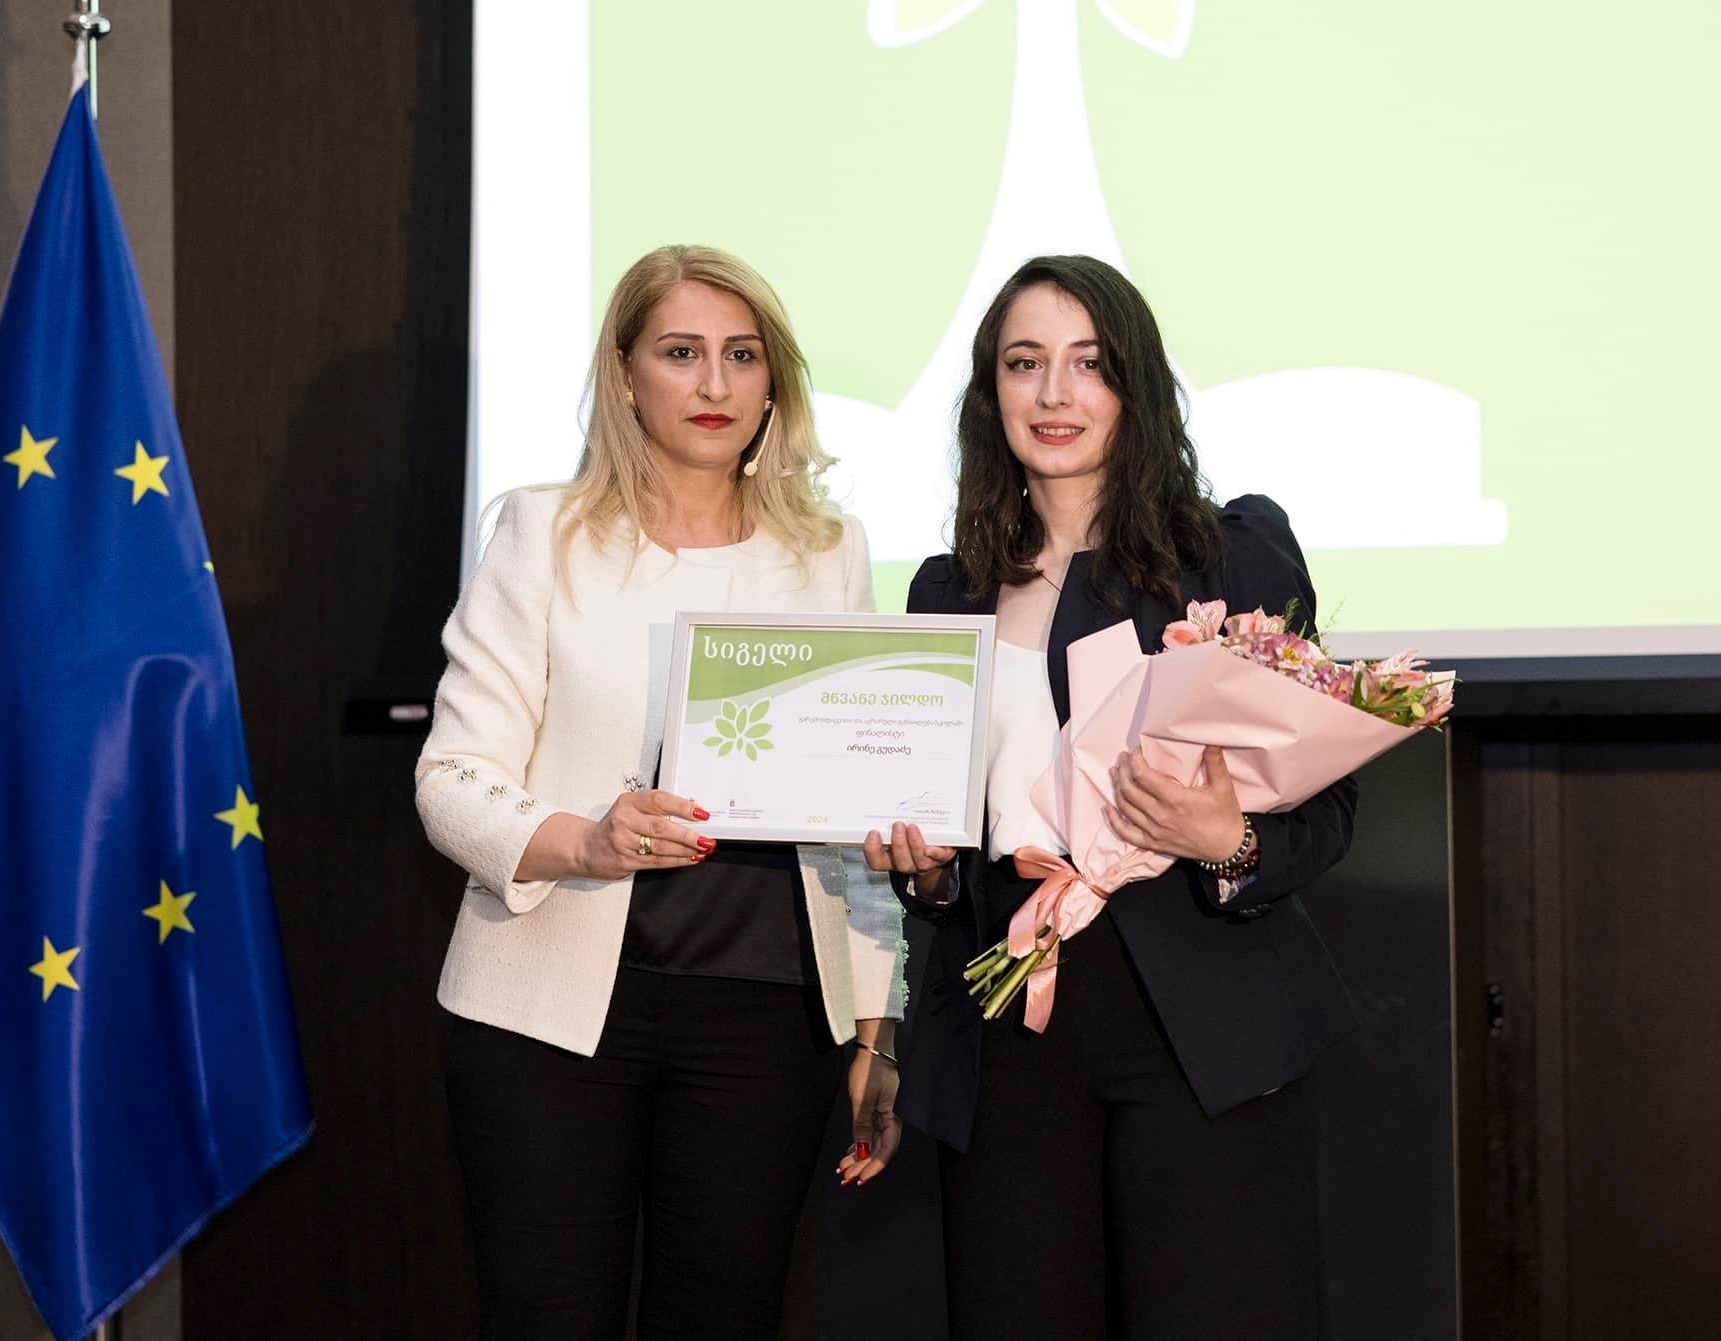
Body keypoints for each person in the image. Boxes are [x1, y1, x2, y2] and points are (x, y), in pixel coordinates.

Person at [416, 244, 906, 1339]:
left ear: (775, 382)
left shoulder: (830, 552)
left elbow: (858, 816)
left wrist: (878, 1027)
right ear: (625, 374)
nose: (715, 382)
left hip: (769, 1020)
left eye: (743, 355)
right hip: (548, 1015)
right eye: (681, 353)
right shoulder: (544, 533)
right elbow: (450, 781)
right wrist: (585, 840)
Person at [864, 255, 1358, 1338]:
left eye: (1088, 364)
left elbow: (1327, 811)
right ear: (989, 394)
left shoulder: (1228, 557)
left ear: (1136, 386)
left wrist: (1229, 839)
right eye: (1023, 364)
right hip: (1010, 1038)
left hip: (1201, 1026)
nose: (1054, 394)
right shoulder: (947, 591)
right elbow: (947, 869)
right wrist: (931, 878)